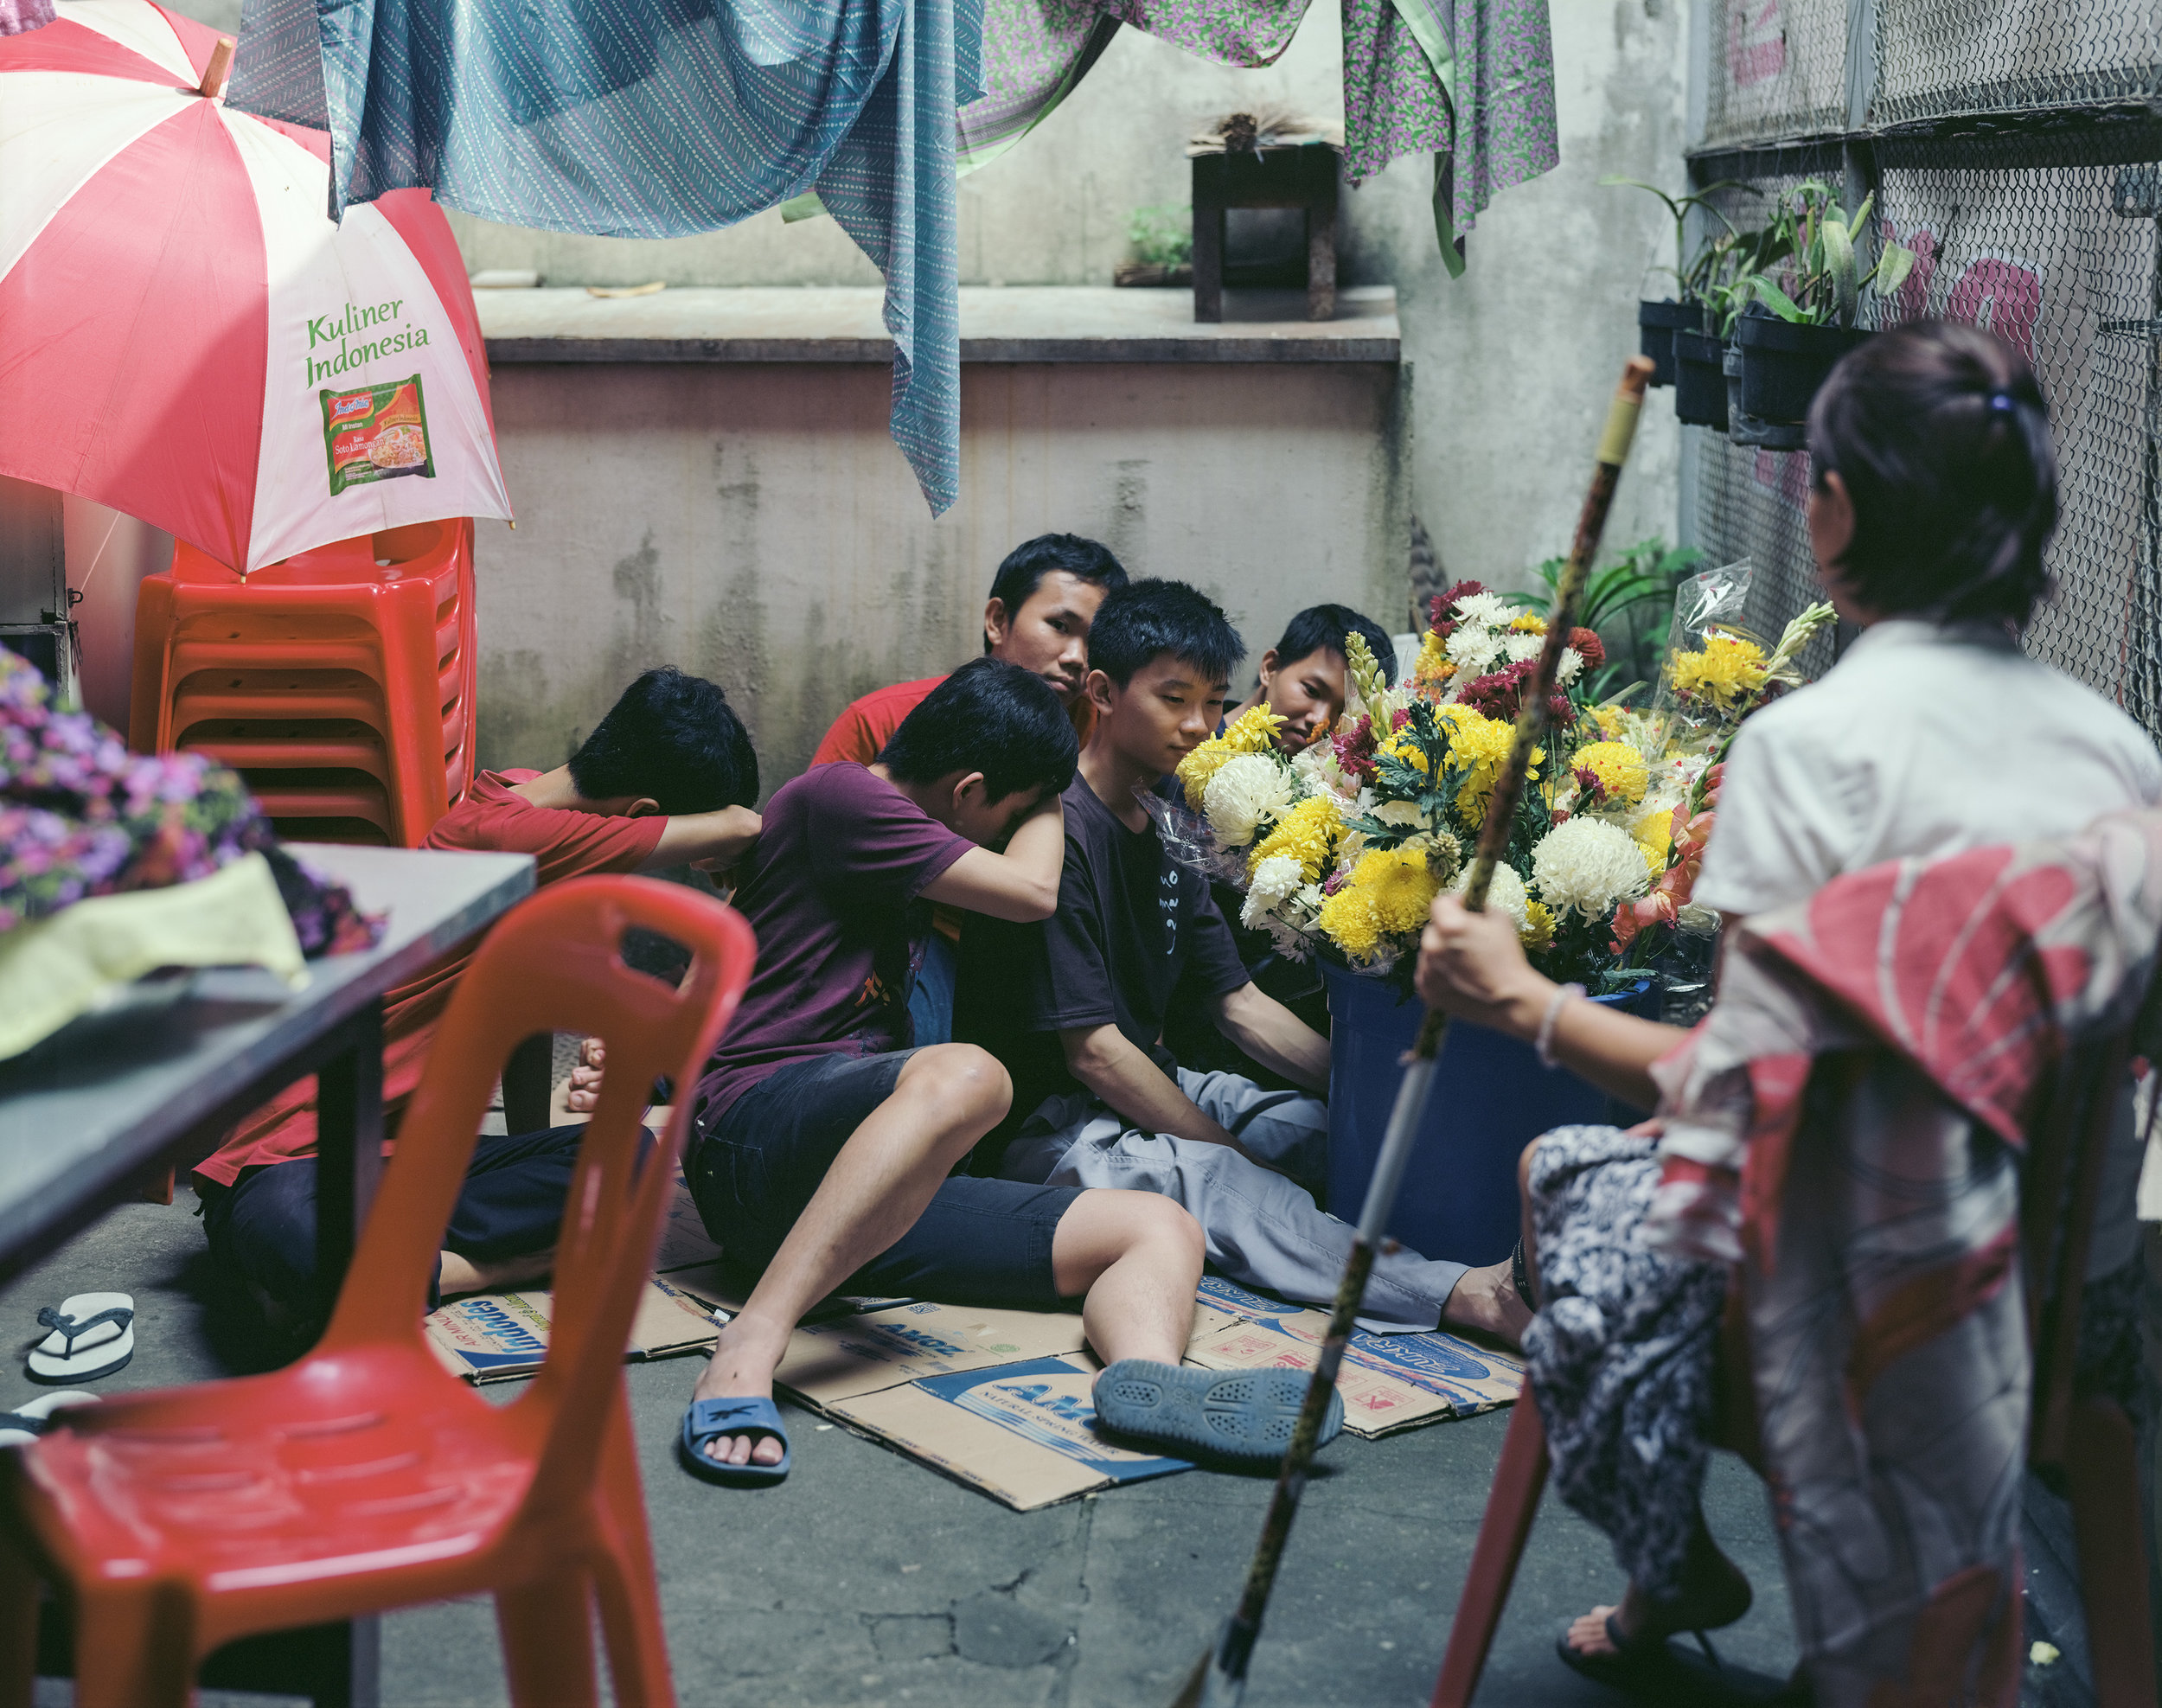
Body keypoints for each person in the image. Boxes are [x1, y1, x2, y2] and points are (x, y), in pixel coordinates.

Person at [1413, 322, 2162, 1698]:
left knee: (1561, 1181)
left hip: (1866, 1313)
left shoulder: (1813, 748)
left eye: (1815, 474)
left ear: (1842, 509)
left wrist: (1516, 996)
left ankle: (1664, 1567)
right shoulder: (2123, 751)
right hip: (2074, 1300)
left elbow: (1735, 1080)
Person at [679, 658, 1325, 1486]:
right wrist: (1059, 785)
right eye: (1012, 814)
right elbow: (1031, 890)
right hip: (753, 1143)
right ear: (971, 789)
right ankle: (750, 1342)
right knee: (971, 1078)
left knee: (1160, 1228)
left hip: (859, 1197)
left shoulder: (900, 830)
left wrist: (1042, 777)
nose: (1013, 830)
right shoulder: (843, 796)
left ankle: (1146, 1377)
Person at [957, 579, 1531, 1340]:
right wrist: (1228, 1150)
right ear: (1101, 690)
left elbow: (1237, 1002)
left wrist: (1379, 1091)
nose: (1199, 725)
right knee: (1231, 1177)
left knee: (1322, 1128)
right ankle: (1466, 1293)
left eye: (1212, 701)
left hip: (1153, 1081)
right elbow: (1092, 1054)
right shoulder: (1054, 825)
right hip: (1051, 1126)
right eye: (1173, 699)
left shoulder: (1168, 814)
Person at [194, 667, 764, 1338]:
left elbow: (524, 1017)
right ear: (640, 814)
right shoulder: (511, 841)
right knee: (291, 1236)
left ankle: (375, 1274)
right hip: (294, 1161)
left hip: (405, 1164)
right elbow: (742, 827)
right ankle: (472, 1270)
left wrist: (543, 1160)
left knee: (632, 1161)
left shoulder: (515, 792)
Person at [811, 534, 1129, 1048]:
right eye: (1059, 625)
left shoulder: (1104, 738)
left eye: (1093, 642)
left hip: (1042, 949)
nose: (1076, 657)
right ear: (998, 621)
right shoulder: (883, 720)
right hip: (914, 940)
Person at [1219, 602, 1399, 751]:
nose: (1321, 720)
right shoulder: (1198, 749)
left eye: (1343, 712)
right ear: (1271, 667)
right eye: (1312, 691)